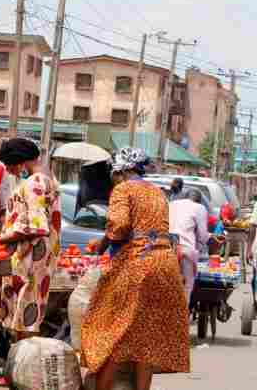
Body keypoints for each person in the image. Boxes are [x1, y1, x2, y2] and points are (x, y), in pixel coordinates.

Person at [81, 148, 190, 390]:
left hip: (138, 264)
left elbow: (119, 226)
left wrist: (102, 243)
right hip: (166, 265)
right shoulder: (157, 192)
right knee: (145, 339)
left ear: (120, 171)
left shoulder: (123, 188)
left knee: (110, 330)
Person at [0, 138, 60, 346]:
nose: (10, 172)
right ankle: (21, 367)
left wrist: (1, 237)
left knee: (25, 314)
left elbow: (36, 225)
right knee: (29, 311)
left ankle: (21, 369)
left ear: (19, 162)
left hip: (31, 258)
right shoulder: (48, 178)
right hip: (41, 257)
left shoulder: (35, 182)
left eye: (10, 166)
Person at [169, 188, 209, 303]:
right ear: (198, 200)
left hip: (166, 248)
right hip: (185, 250)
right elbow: (202, 235)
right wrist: (205, 240)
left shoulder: (172, 204)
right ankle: (182, 316)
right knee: (187, 286)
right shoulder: (199, 208)